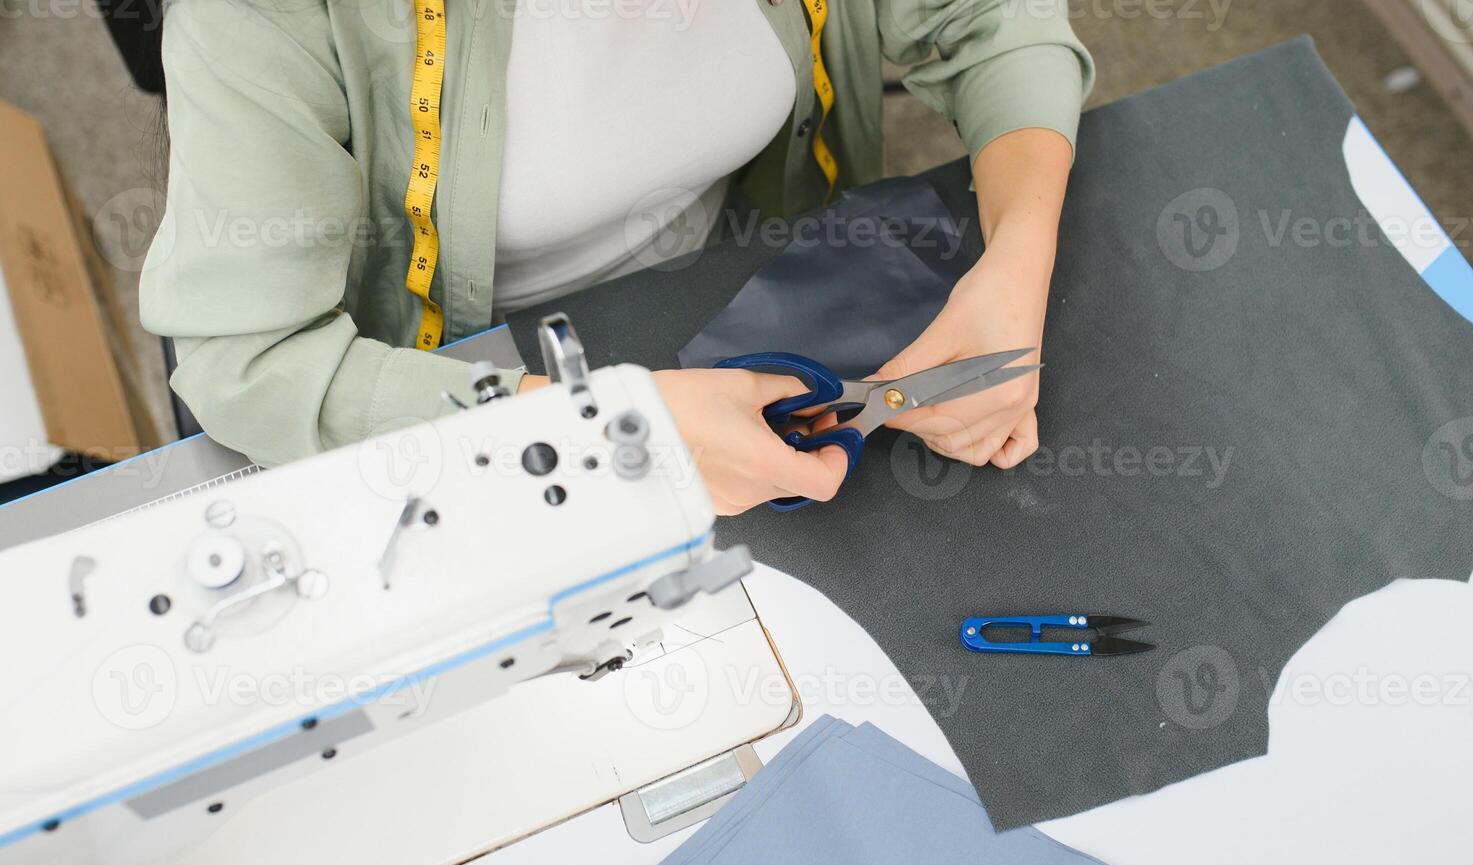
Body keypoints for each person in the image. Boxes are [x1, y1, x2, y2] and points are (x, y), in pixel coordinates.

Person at [141, 0, 1093, 514]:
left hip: (728, 273)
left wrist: (1015, 259)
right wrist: (588, 430)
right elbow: (249, 362)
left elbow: (989, 21)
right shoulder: (258, 19)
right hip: (450, 379)